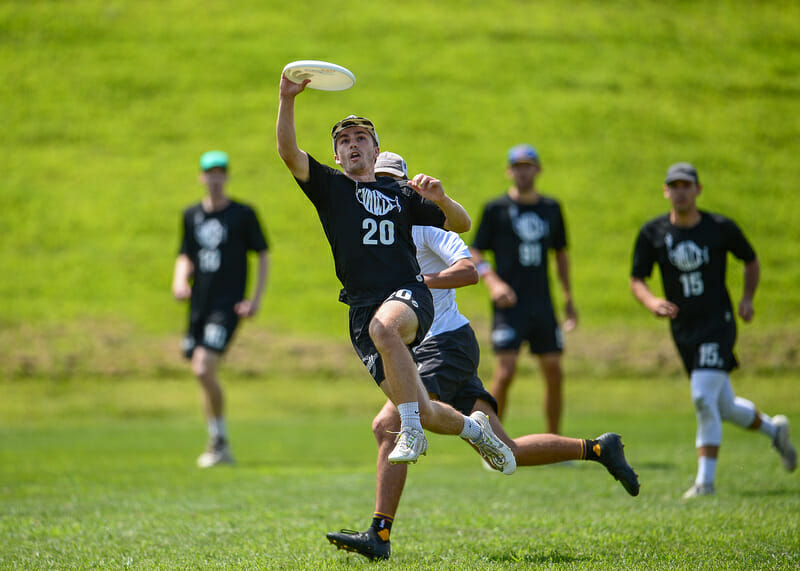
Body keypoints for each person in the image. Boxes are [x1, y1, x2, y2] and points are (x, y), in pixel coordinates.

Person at [325, 153, 639, 562]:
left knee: (389, 424)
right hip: (428, 348)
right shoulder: (380, 237)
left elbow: (469, 270)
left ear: (406, 187)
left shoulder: (427, 226)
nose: (385, 188)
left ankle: (379, 536)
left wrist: (417, 278)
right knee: (508, 449)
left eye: (393, 181)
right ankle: (597, 448)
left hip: (446, 342)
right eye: (378, 180)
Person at [276, 75, 515, 470]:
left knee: (385, 331)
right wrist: (287, 98)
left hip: (408, 294)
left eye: (360, 138)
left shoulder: (403, 195)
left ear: (376, 149)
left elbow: (463, 223)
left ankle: (410, 432)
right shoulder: (331, 189)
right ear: (336, 156)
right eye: (344, 140)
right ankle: (476, 430)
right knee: (422, 408)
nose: (352, 144)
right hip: (361, 309)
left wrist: (442, 199)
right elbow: (288, 151)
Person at [630, 162, 796, 499]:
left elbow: (750, 259)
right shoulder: (653, 233)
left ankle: (705, 483)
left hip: (717, 322)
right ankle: (773, 430)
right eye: (673, 185)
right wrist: (651, 302)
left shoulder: (719, 227)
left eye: (686, 184)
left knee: (703, 398)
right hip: (682, 327)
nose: (680, 191)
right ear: (666, 191)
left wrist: (748, 299)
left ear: (698, 189)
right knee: (724, 406)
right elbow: (637, 278)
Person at [469, 144, 577, 435]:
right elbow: (475, 251)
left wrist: (568, 299)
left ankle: (555, 442)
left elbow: (561, 254)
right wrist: (493, 282)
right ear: (509, 171)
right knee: (505, 374)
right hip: (508, 305)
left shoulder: (551, 208)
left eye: (528, 165)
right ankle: (492, 442)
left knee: (554, 373)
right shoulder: (496, 209)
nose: (523, 171)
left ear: (538, 169)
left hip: (542, 302)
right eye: (517, 167)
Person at [172, 150, 269, 468]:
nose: (215, 177)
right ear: (202, 177)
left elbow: (262, 255)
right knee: (203, 373)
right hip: (198, 306)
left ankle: (219, 440)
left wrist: (254, 299)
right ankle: (218, 442)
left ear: (226, 176)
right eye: (209, 172)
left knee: (203, 368)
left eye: (220, 171)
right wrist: (179, 280)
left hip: (227, 306)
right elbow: (186, 253)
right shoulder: (191, 215)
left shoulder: (243, 214)